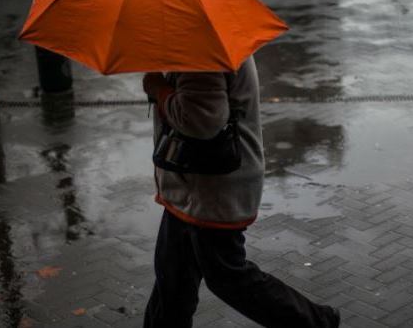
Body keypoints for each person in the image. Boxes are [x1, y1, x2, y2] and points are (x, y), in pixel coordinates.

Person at [142, 56, 340, 328]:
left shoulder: (201, 52)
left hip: (211, 190)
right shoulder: (197, 43)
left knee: (227, 277)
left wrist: (158, 89)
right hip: (192, 187)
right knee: (172, 280)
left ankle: (316, 322)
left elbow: (202, 119)